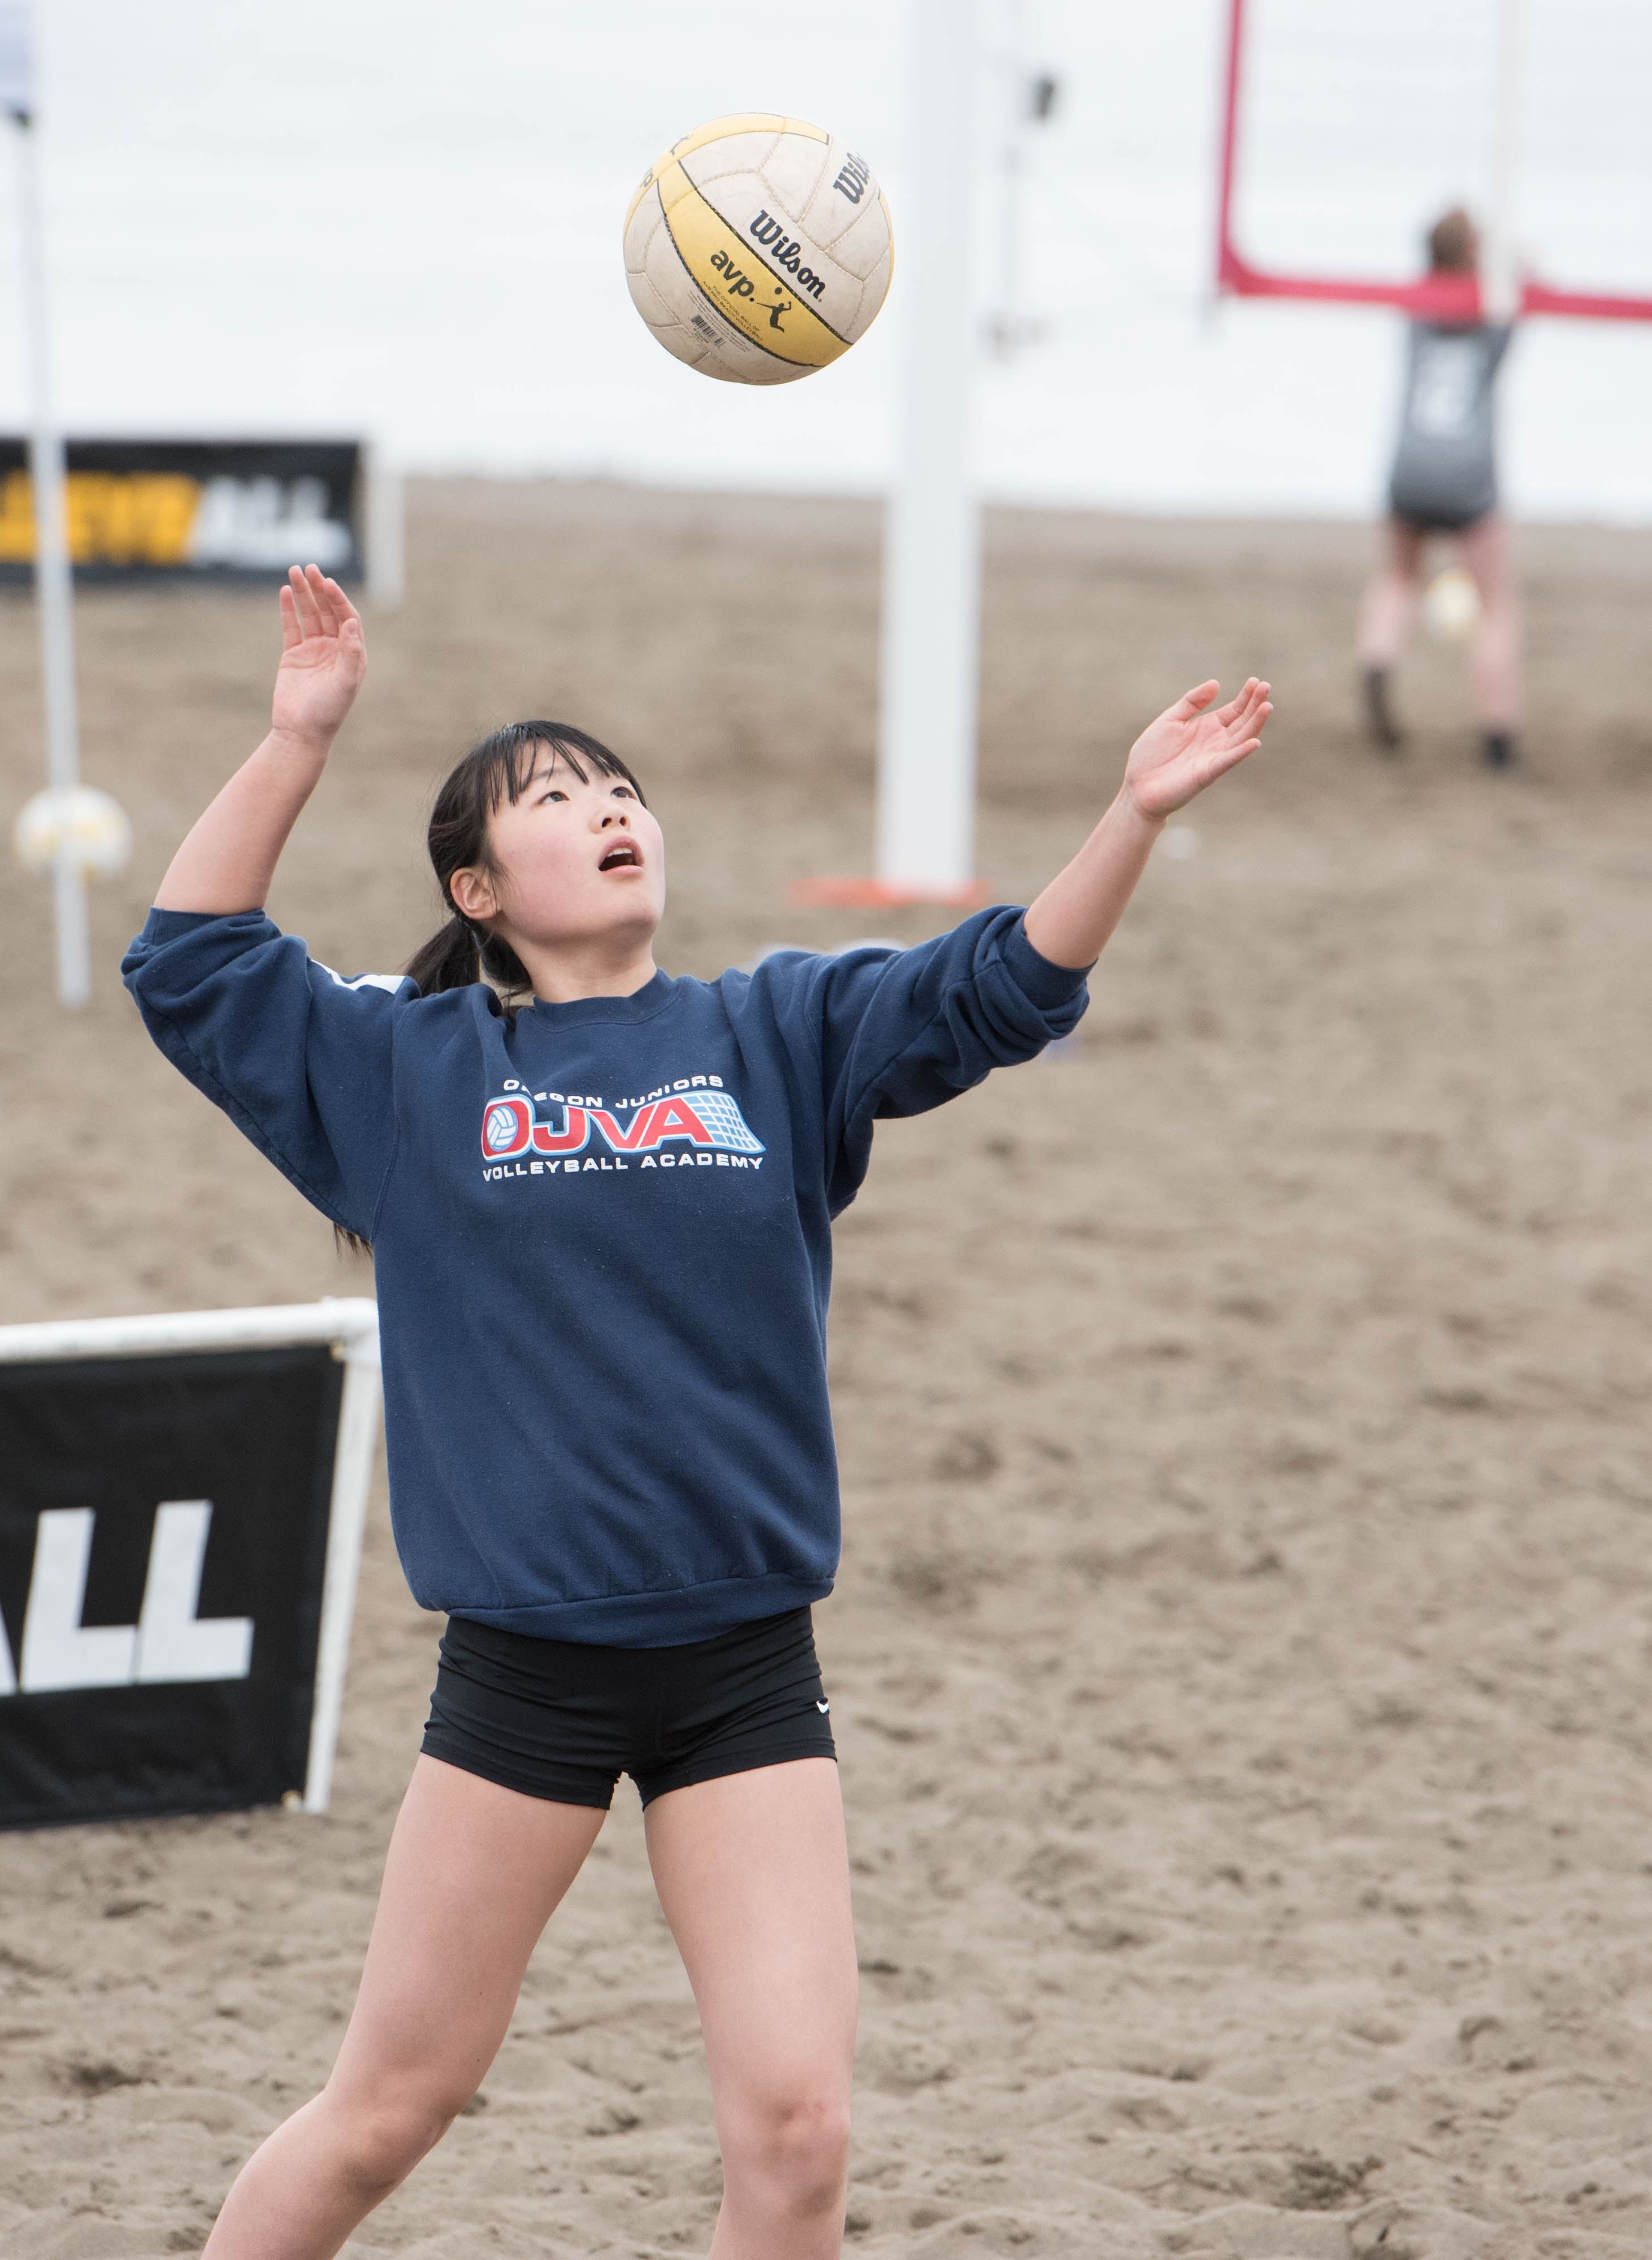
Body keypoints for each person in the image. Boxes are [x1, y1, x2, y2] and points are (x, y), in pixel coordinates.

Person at [122, 567, 1271, 2258]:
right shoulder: (413, 1067)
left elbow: (994, 992)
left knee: (799, 2136)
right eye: (553, 802)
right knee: (387, 2112)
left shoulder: (774, 1027)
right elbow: (191, 962)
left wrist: (1129, 815)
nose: (607, 814)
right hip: (523, 1679)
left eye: (618, 791)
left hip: (743, 1665)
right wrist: (298, 736)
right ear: (476, 885)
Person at [1358, 205, 1520, 772]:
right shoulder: (1493, 316)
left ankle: (1378, 660)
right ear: (1473, 256)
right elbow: (1528, 287)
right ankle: (1497, 737)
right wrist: (1506, 264)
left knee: (1397, 578)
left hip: (1412, 462)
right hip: (1468, 474)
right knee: (1493, 606)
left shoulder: (1414, 309)